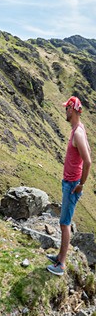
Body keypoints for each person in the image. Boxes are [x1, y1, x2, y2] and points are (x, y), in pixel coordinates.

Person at [48, 96, 92, 276]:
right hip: (70, 182)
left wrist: (81, 184)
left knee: (65, 224)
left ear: (72, 110)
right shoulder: (78, 129)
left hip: (72, 185)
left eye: (67, 108)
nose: (65, 111)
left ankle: (61, 265)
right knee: (64, 222)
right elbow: (88, 153)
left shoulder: (78, 133)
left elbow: (88, 161)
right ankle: (59, 256)